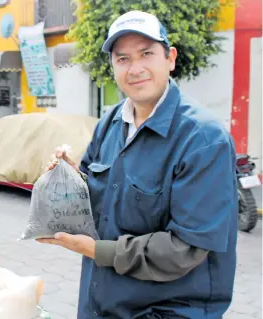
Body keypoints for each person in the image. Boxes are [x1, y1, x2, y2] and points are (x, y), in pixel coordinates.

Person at [39, 10, 238, 319]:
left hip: (167, 311)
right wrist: (67, 177)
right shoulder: (110, 122)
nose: (135, 69)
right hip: (101, 304)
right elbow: (96, 197)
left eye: (146, 54)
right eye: (123, 59)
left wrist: (95, 249)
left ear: (170, 58)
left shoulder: (203, 139)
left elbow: (184, 250)